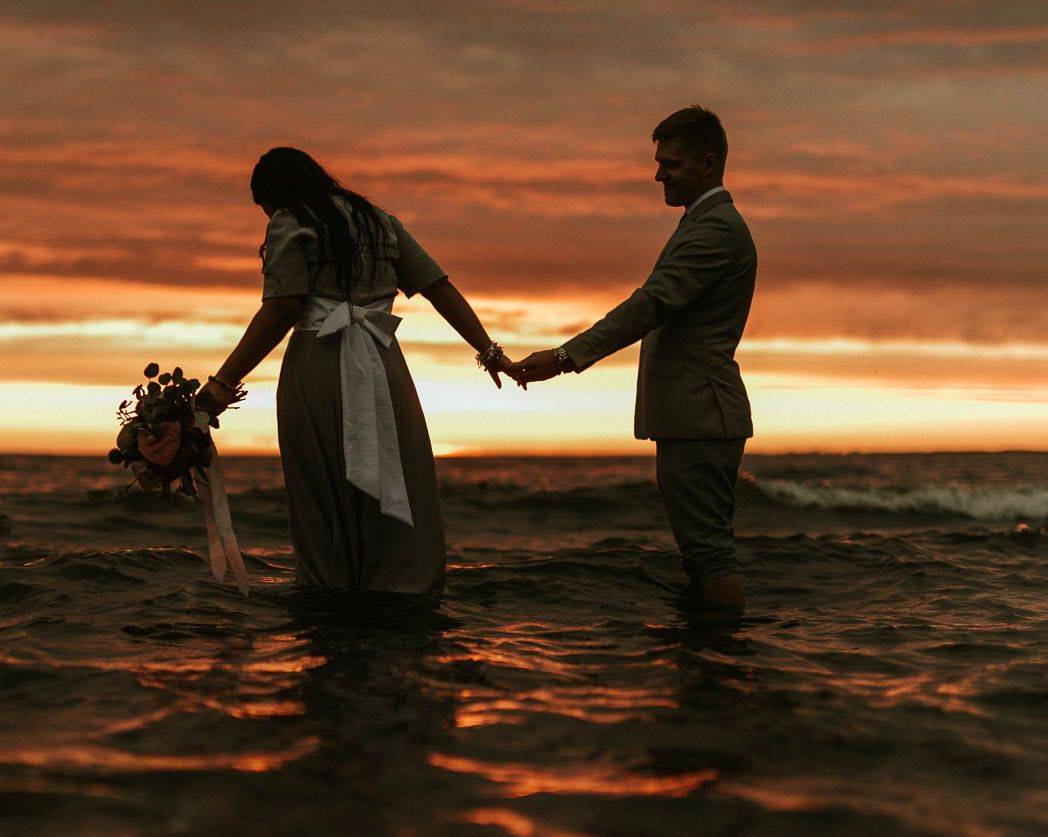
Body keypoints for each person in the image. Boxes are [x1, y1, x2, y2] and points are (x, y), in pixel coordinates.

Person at [196, 147, 506, 596]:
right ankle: (401, 591)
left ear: (273, 193)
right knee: (398, 475)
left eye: (262, 203)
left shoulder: (291, 220)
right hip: (385, 365)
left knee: (320, 488)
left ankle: (332, 599)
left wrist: (222, 384)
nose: (264, 212)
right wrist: (491, 353)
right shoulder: (380, 222)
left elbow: (283, 308)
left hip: (318, 367)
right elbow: (440, 288)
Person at [507, 106, 757, 613]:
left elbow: (651, 304)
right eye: (659, 162)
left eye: (672, 164)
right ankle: (709, 666)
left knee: (709, 555)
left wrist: (564, 356)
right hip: (692, 416)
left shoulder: (716, 229)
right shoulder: (700, 223)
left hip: (701, 418)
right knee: (702, 553)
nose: (658, 174)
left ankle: (725, 671)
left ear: (709, 165)